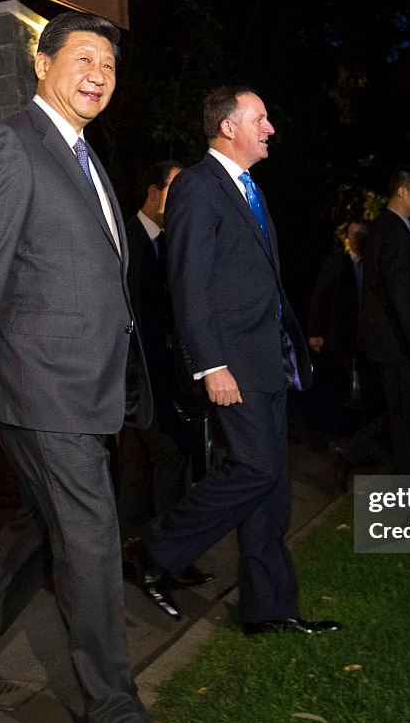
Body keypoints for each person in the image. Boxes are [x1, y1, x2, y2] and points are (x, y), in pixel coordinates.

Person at [0, 13, 186, 723]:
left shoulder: (88, 158)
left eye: (111, 65)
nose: (99, 73)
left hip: (90, 386)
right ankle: (118, 720)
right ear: (43, 63)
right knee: (90, 548)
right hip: (42, 384)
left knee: (41, 534)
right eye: (83, 57)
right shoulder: (12, 141)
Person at [136, 85, 340, 638]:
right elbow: (188, 285)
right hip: (231, 364)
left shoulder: (248, 187)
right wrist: (211, 365)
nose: (271, 128)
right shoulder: (197, 188)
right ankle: (154, 549)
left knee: (272, 489)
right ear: (228, 127)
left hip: (266, 358)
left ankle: (270, 609)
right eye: (261, 118)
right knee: (256, 468)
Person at [118, 160, 213, 588]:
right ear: (153, 192)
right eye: (175, 189)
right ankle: (165, 556)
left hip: (168, 378)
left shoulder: (175, 242)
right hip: (134, 381)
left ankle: (142, 554)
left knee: (144, 469)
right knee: (167, 459)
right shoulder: (124, 239)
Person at [334, 166, 410, 477]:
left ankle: (356, 451)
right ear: (402, 192)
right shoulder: (393, 231)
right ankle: (407, 481)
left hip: (389, 340)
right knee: (405, 416)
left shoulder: (387, 228)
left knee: (403, 412)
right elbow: (399, 291)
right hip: (396, 343)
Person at [304, 221, 368, 446]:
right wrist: (315, 332)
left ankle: (355, 437)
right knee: (337, 386)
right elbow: (319, 298)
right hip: (339, 334)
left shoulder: (372, 264)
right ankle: (332, 436)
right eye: (354, 234)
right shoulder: (335, 264)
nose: (358, 238)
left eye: (362, 234)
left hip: (364, 335)